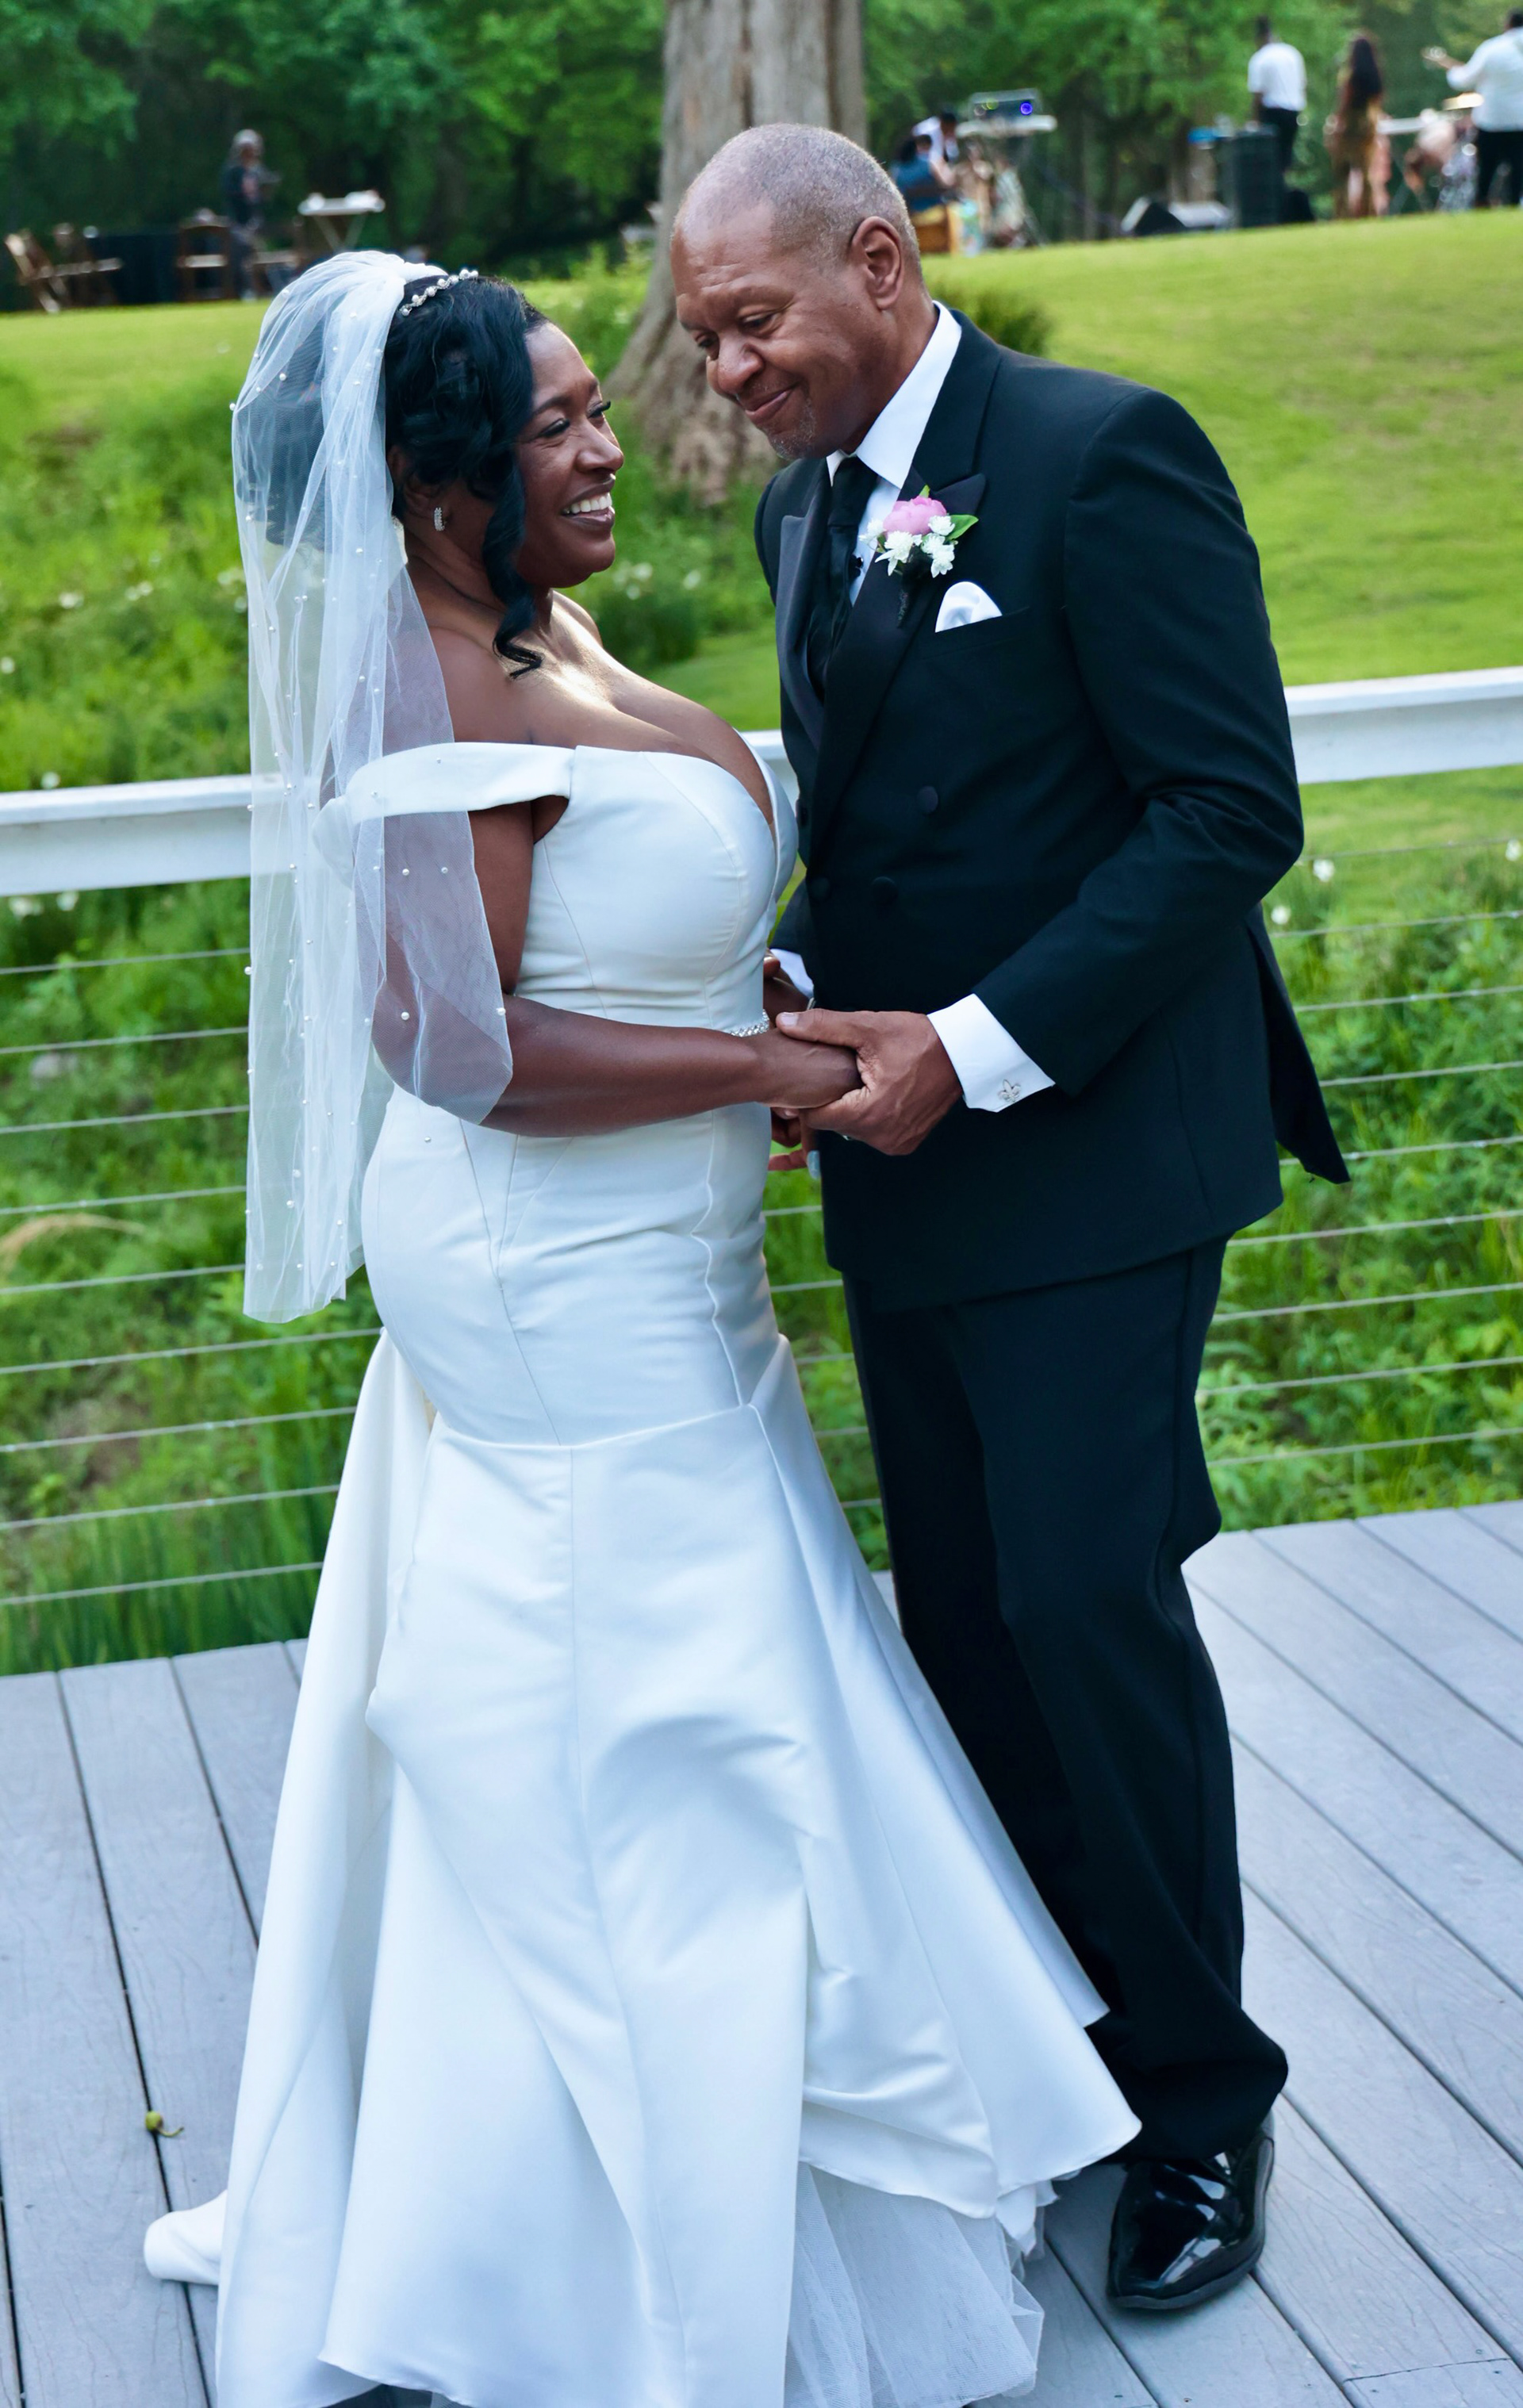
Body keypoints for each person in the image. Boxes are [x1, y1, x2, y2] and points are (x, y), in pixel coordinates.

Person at [141, 248, 1137, 2406]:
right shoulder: (428, 678)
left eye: (599, 403)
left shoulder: (534, 623)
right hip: (546, 1265)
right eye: (560, 426)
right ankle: (630, 2233)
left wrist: (739, 1004)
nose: (611, 445)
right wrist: (765, 1070)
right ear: (434, 484)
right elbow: (455, 1042)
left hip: (668, 1255)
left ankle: (646, 2152)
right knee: (639, 1699)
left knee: (693, 1660)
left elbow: (600, 930)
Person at [672, 122, 1348, 2314]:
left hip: (1100, 1153)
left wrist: (969, 1042)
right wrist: (792, 989)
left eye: (752, 324)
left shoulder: (1099, 452)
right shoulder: (802, 510)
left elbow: (1225, 807)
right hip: (913, 1171)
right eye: (702, 342)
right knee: (964, 1625)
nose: (727, 376)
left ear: (881, 260)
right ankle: (1066, 2055)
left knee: (1085, 1606)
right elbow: (883, 829)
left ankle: (1204, 2099)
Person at [1425, 10, 1523, 203]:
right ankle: (1514, 203)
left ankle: (1482, 201)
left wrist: (1452, 70)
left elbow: (1463, 79)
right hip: (1520, 121)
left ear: (1507, 25)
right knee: (1518, 168)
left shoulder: (1492, 48)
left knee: (1487, 168)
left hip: (1493, 120)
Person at [1327, 32, 1387, 216]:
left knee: (1342, 170)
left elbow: (1345, 102)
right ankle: (1368, 210)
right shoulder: (1375, 75)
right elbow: (1378, 100)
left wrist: (1336, 125)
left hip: (1351, 124)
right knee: (1366, 170)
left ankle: (1343, 212)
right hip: (1369, 123)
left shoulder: (1350, 76)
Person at [218, 128, 278, 299]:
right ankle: (246, 289)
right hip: (237, 224)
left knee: (260, 247)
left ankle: (267, 287)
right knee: (243, 247)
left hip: (257, 224)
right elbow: (230, 195)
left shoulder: (259, 171)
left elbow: (263, 201)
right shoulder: (231, 172)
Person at [1247, 14, 1307, 174]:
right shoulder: (1292, 54)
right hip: (1293, 111)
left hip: (1271, 112)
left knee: (1268, 157)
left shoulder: (1260, 58)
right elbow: (1302, 84)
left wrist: (1254, 121)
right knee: (1285, 156)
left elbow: (1258, 94)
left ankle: (1271, 186)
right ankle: (1283, 182)